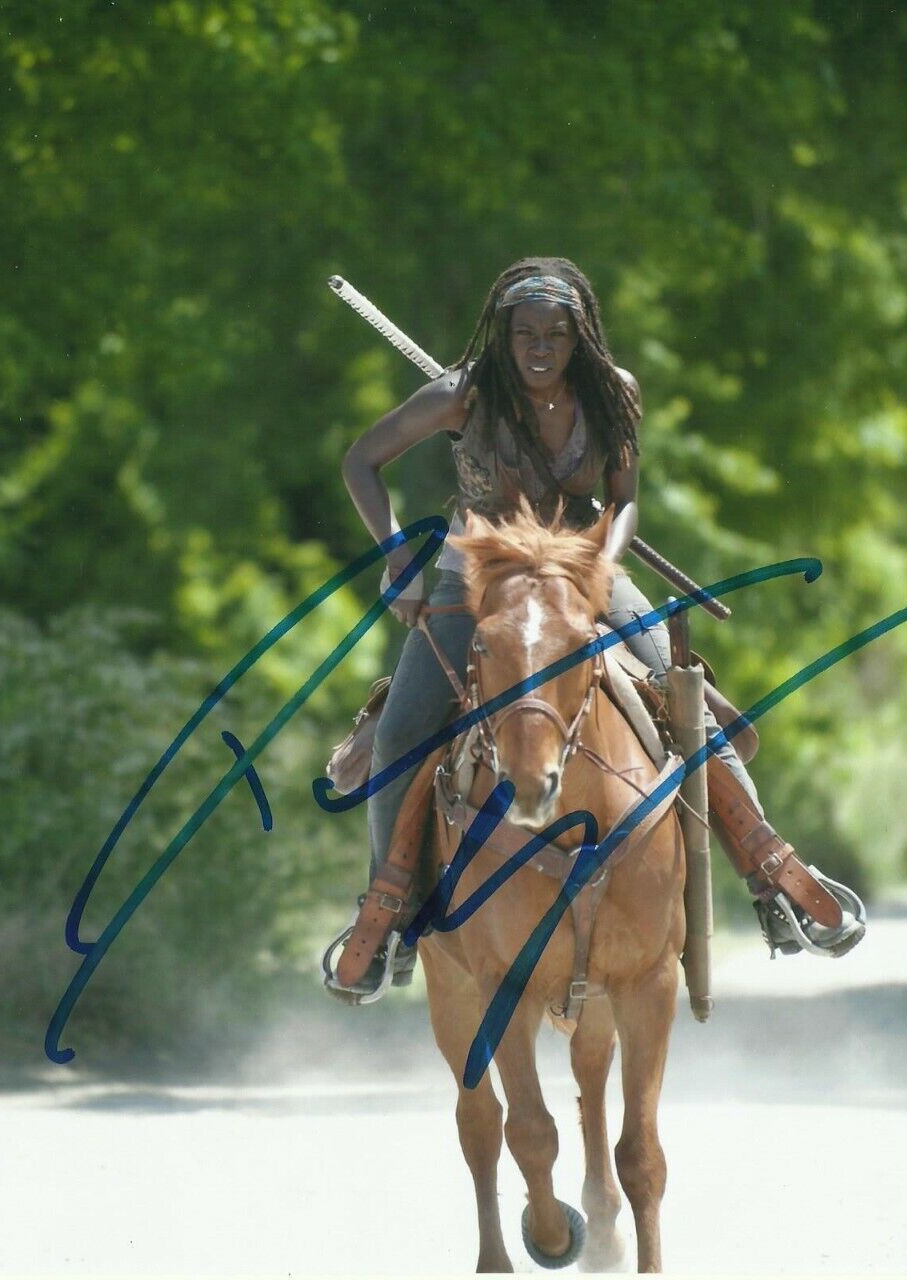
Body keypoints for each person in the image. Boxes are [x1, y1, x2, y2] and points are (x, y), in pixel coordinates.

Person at [326, 257, 865, 1002]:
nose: (539, 347)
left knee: (686, 705)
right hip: (473, 580)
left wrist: (600, 567)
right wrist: (398, 562)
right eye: (524, 334)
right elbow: (362, 461)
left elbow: (626, 502)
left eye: (555, 333)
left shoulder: (615, 396)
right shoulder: (462, 394)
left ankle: (771, 875)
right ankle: (387, 916)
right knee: (401, 734)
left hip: (584, 571)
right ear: (505, 335)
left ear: (580, 337)